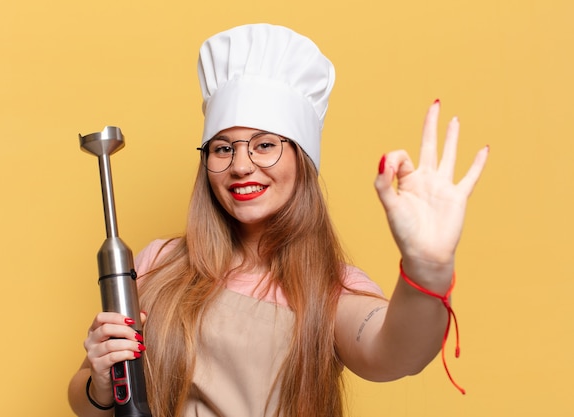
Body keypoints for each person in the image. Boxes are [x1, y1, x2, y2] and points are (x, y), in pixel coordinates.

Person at [68, 23, 489, 417]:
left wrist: (427, 270)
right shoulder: (158, 263)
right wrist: (100, 383)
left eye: (265, 145)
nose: (241, 166)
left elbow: (394, 353)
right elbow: (86, 395)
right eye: (222, 148)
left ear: (301, 159)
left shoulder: (332, 290)